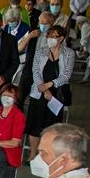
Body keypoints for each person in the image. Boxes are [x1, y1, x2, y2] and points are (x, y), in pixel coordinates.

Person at [25, 25, 73, 161]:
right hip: (39, 92)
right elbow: (36, 71)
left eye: (54, 37)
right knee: (35, 125)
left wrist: (51, 85)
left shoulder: (69, 53)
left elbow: (66, 75)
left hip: (56, 94)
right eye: (49, 36)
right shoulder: (41, 52)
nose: (50, 39)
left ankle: (46, 156)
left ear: (61, 38)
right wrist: (44, 89)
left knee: (52, 127)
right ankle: (32, 154)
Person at [17, 12, 55, 101]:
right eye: (41, 23)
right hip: (30, 68)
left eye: (45, 24)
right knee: (20, 96)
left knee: (39, 100)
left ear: (51, 24)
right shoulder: (33, 32)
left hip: (45, 72)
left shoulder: (54, 36)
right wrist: (29, 37)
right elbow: (19, 48)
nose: (42, 25)